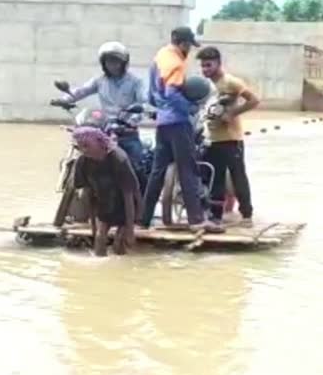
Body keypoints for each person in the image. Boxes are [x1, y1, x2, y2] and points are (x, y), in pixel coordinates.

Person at [141, 27, 223, 232]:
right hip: (178, 123)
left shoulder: (159, 57)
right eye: (189, 46)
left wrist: (162, 109)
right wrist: (191, 109)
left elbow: (152, 95)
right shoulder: (176, 63)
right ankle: (197, 220)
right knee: (188, 169)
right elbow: (172, 93)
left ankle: (142, 220)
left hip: (162, 123)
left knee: (157, 172)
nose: (189, 50)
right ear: (184, 43)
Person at [52, 41, 148, 185]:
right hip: (104, 131)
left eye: (116, 61)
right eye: (109, 61)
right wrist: (64, 99)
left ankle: (141, 203)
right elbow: (81, 91)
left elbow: (144, 101)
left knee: (138, 167)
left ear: (124, 63)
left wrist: (133, 115)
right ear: (103, 63)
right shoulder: (99, 81)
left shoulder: (136, 82)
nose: (112, 65)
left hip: (127, 132)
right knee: (81, 158)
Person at [196, 47, 260, 226]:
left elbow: (254, 101)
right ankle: (216, 215)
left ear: (218, 63)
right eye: (203, 66)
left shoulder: (232, 82)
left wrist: (232, 113)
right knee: (215, 178)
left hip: (232, 139)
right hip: (212, 139)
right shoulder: (206, 86)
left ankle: (247, 215)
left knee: (238, 176)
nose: (205, 70)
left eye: (209, 65)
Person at [71, 126, 141, 256]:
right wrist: (93, 225)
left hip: (126, 205)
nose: (83, 150)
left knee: (119, 242)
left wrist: (130, 228)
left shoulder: (118, 159)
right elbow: (88, 194)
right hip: (105, 205)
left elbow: (129, 194)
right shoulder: (83, 162)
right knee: (99, 238)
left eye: (86, 146)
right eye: (79, 147)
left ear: (100, 143)